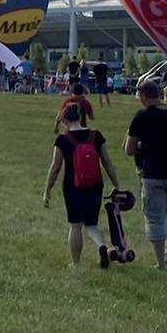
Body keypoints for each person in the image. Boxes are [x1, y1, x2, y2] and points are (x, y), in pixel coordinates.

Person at [44, 101, 124, 269]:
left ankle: (76, 263)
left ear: (64, 120)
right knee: (91, 224)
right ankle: (101, 245)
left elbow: (55, 168)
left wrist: (47, 191)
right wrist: (117, 185)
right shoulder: (96, 136)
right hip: (95, 185)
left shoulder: (62, 140)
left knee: (75, 225)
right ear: (81, 117)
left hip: (73, 186)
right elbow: (107, 163)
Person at [125, 80, 167, 269]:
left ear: (144, 96)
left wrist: (142, 146)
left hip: (152, 173)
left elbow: (129, 149)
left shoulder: (141, 116)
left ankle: (160, 262)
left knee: (154, 216)